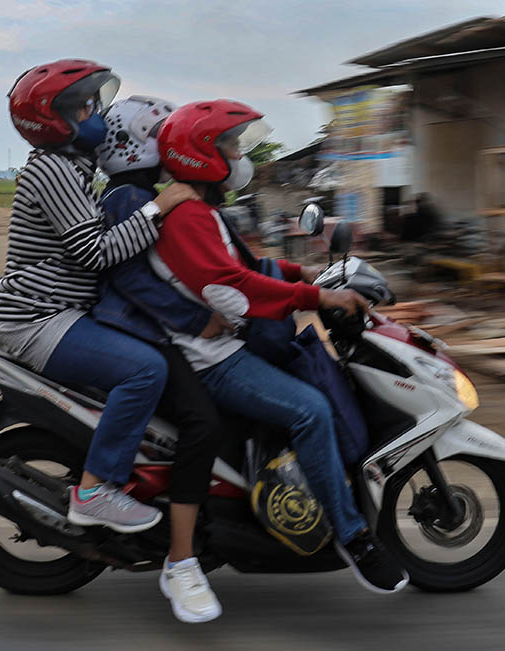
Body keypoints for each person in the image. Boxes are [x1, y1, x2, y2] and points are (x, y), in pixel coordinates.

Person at [149, 99, 410, 594]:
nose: (239, 155)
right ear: (203, 155)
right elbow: (231, 288)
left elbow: (246, 268)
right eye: (230, 145)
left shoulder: (203, 210)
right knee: (311, 409)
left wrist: (301, 272)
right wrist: (318, 295)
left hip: (223, 344)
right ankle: (354, 539)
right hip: (211, 360)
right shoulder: (188, 217)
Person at [0, 60, 197, 537]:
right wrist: (159, 207)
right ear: (56, 119)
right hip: (37, 318)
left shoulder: (71, 169)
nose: (96, 111)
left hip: (56, 314)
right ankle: (96, 490)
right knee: (146, 369)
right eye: (86, 104)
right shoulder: (53, 169)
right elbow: (94, 252)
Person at [92, 95, 228, 623]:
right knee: (202, 421)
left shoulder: (148, 193)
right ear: (141, 143)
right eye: (163, 135)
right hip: (141, 333)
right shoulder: (131, 196)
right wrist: (196, 320)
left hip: (153, 331)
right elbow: (130, 279)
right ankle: (181, 559)